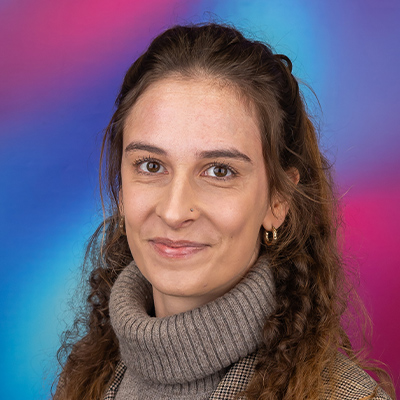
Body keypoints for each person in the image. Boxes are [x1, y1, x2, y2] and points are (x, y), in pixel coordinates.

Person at [54, 23, 395, 400]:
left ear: (277, 201)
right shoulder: (85, 381)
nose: (173, 210)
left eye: (220, 170)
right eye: (151, 166)